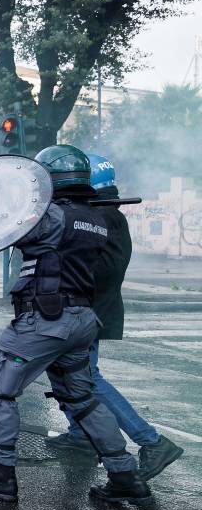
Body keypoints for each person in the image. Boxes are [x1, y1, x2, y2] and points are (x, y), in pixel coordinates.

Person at [0, 145, 149, 505]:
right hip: (81, 321)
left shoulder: (53, 217)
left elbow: (4, 231)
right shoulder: (94, 219)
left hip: (46, 320)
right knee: (82, 398)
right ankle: (125, 476)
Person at [45, 156, 183, 480]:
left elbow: (101, 270)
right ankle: (81, 434)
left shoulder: (102, 217)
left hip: (90, 310)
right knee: (66, 373)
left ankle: (151, 441)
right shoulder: (105, 214)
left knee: (89, 379)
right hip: (91, 308)